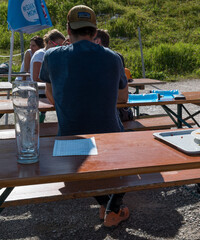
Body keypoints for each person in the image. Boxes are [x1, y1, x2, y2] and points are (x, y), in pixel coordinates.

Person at [39, 5, 129, 228]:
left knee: (80, 168)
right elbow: (123, 98)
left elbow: (50, 94)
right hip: (111, 136)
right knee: (132, 153)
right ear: (95, 31)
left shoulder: (51, 57)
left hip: (69, 137)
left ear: (68, 29)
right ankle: (112, 207)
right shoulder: (114, 58)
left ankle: (108, 206)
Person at [94, 29, 134, 122]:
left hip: (111, 112)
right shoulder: (116, 56)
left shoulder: (111, 58)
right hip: (117, 109)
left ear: (97, 41)